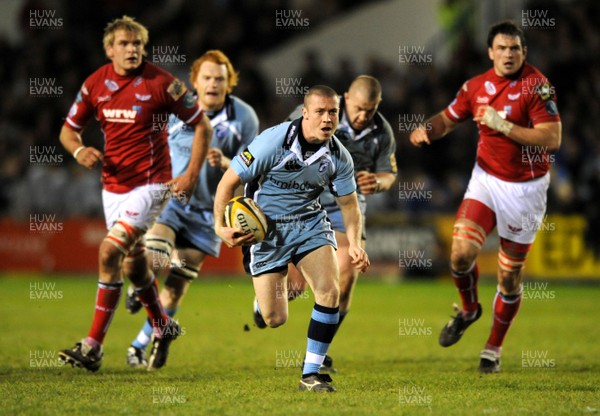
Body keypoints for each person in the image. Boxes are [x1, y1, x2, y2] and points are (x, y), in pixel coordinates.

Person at [58, 16, 211, 372]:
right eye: (125, 44)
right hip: (113, 187)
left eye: (137, 44)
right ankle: (162, 325)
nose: (132, 49)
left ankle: (93, 345)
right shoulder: (95, 84)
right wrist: (79, 151)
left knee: (109, 251)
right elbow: (68, 132)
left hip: (152, 184)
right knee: (134, 266)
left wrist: (190, 174)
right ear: (109, 49)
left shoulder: (162, 83)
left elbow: (200, 124)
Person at [409, 21, 561, 373]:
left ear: (524, 53)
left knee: (509, 278)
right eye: (502, 48)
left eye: (515, 49)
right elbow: (448, 119)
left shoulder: (537, 87)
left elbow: (552, 139)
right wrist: (426, 129)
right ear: (490, 52)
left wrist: (503, 125)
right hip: (486, 180)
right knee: (460, 253)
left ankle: (493, 348)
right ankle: (469, 309)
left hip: (527, 189)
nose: (509, 54)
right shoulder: (475, 86)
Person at [214, 85, 370, 392]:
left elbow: (349, 206)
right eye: (321, 112)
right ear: (305, 113)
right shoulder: (273, 141)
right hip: (266, 232)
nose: (328, 119)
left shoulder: (339, 156)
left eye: (333, 112)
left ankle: (311, 374)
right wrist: (220, 227)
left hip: (309, 224)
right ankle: (262, 306)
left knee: (328, 291)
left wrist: (355, 244)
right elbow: (228, 182)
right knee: (275, 318)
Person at [252, 75, 397, 374]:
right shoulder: (318, 111)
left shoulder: (382, 131)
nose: (362, 116)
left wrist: (378, 183)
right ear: (345, 98)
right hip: (303, 200)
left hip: (347, 200)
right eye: (358, 108)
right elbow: (281, 149)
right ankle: (265, 298)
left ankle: (318, 357)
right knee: (292, 288)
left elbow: (389, 173)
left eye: (370, 111)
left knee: (344, 275)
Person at [124, 50, 259, 369]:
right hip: (172, 199)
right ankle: (139, 288)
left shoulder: (245, 119)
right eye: (207, 78)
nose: (213, 84)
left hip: (210, 211)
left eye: (220, 79)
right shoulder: (176, 109)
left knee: (175, 288)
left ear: (230, 84)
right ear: (195, 81)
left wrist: (227, 163)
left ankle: (141, 344)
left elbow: (252, 168)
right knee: (156, 252)